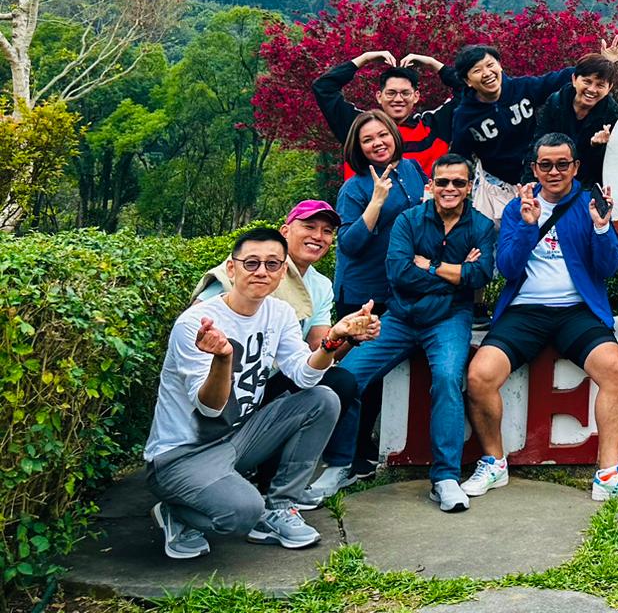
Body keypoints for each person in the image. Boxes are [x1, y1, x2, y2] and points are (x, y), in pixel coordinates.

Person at [144, 228, 380, 560]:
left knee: (324, 398)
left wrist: (334, 339)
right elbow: (210, 409)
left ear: (283, 271)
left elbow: (304, 375)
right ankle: (176, 512)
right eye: (251, 263)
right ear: (231, 268)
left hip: (238, 437)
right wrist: (223, 359)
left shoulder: (278, 312)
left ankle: (280, 507)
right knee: (243, 513)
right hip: (182, 455)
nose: (261, 272)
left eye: (272, 264)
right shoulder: (197, 324)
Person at [461, 133, 618, 504]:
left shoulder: (588, 205)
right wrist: (527, 225)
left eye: (562, 164)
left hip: (576, 310)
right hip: (525, 310)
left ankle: (609, 474)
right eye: (546, 165)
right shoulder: (518, 208)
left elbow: (608, 268)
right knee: (479, 376)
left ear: (575, 167)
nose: (554, 172)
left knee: (614, 368)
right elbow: (507, 266)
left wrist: (601, 227)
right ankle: (494, 462)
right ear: (534, 168)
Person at [312, 154, 496, 511]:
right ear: (431, 184)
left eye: (459, 182)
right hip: (401, 316)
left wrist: (432, 265)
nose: (450, 189)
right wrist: (455, 275)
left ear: (470, 187)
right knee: (347, 376)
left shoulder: (482, 226)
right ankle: (339, 465)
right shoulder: (407, 221)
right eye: (443, 182)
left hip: (449, 319)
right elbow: (399, 273)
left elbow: (481, 276)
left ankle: (444, 477)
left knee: (446, 378)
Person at [191, 200, 362, 488]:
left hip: (277, 376)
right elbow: (195, 317)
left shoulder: (320, 286)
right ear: (285, 230)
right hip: (229, 379)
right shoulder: (253, 268)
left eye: (327, 231)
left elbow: (317, 351)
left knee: (338, 383)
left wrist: (349, 335)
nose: (318, 236)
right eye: (308, 227)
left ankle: (274, 485)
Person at [333, 109, 428, 479]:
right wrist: (375, 201)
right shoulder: (353, 188)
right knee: (360, 376)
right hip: (363, 292)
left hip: (399, 287)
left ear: (393, 135)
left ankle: (364, 445)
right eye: (368, 139)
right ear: (358, 148)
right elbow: (350, 244)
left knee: (381, 378)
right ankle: (349, 455)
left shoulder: (411, 170)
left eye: (382, 135)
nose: (377, 143)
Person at [450, 37, 618, 221]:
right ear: (468, 81)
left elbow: (560, 79)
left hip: (540, 177)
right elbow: (460, 156)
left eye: (490, 65)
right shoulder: (465, 116)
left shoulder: (522, 88)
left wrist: (601, 61)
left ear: (500, 65)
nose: (487, 73)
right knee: (499, 234)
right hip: (497, 185)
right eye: (477, 70)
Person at [312, 50, 463, 179]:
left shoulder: (434, 125)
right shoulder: (359, 126)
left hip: (424, 211)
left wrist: (432, 63)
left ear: (416, 96)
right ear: (379, 96)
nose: (398, 99)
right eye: (391, 93)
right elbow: (324, 88)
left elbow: (467, 91)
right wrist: (365, 58)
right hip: (368, 210)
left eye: (405, 93)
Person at [534, 53, 618, 187]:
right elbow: (538, 144)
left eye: (600, 85)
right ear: (574, 79)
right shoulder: (556, 102)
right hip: (553, 176)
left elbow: (611, 167)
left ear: (609, 88)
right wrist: (529, 183)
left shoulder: (612, 116)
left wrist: (597, 147)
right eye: (587, 82)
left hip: (588, 186)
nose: (592, 89)